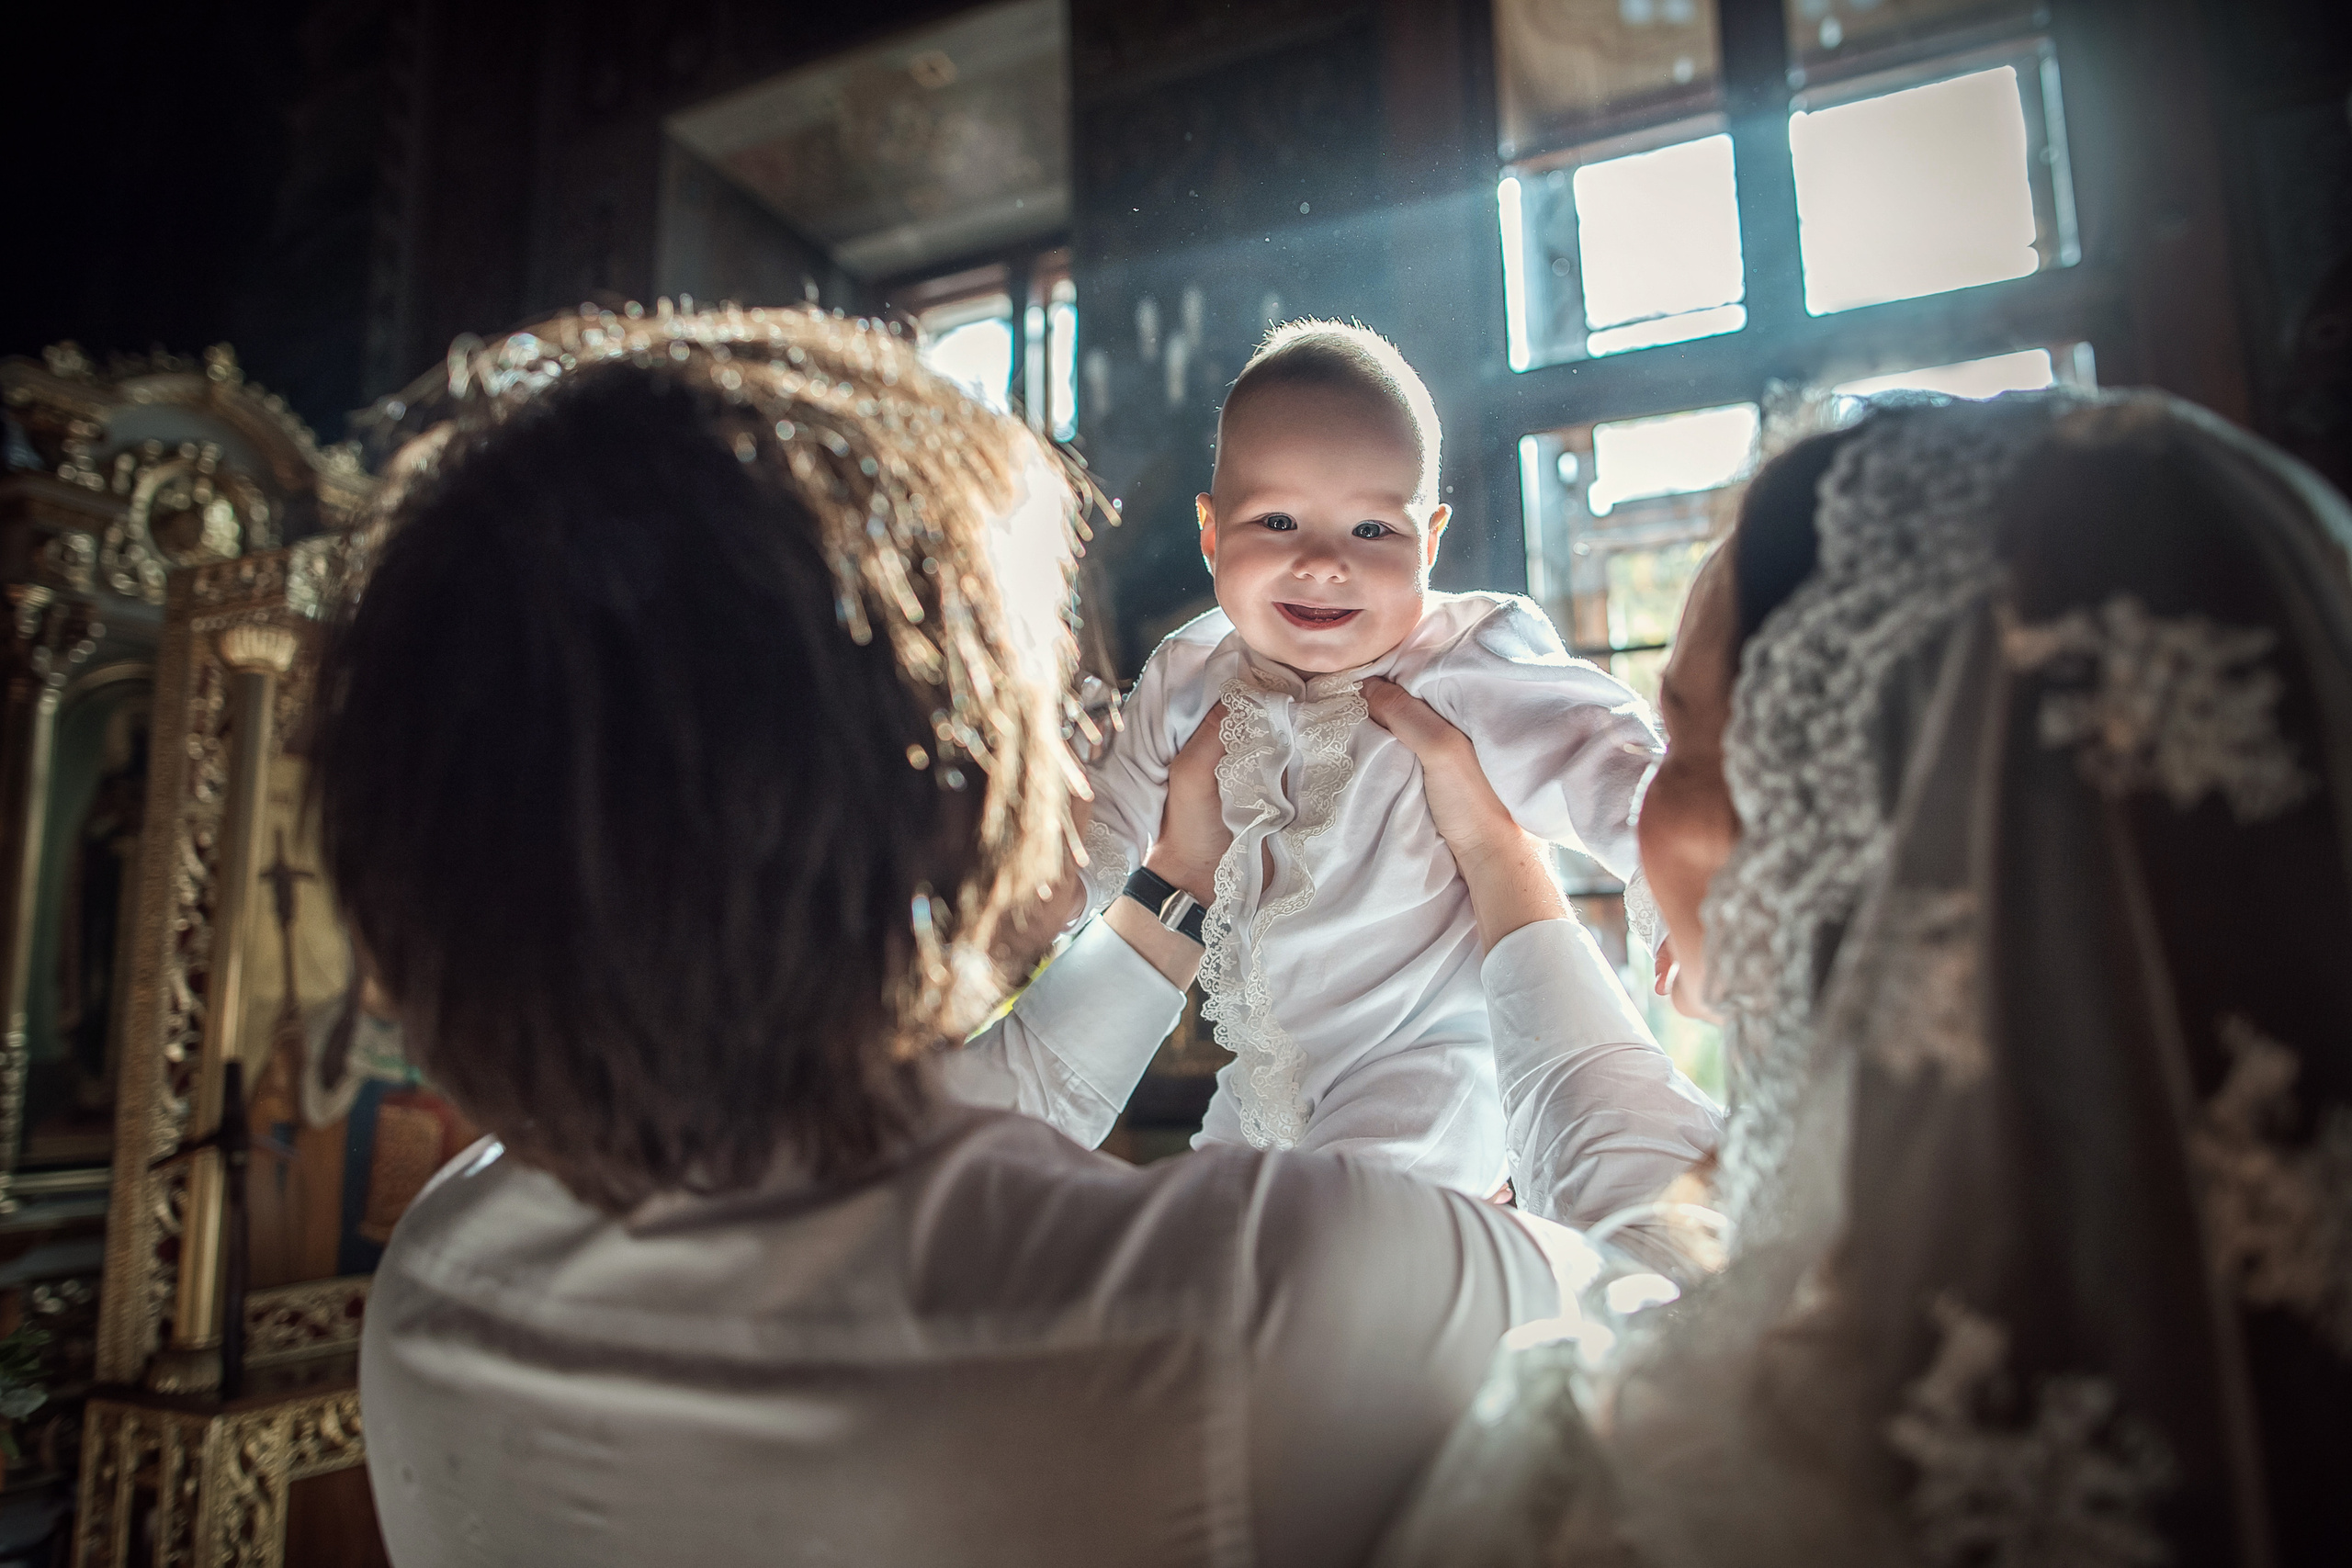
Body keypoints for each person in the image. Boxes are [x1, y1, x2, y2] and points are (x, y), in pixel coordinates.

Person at [331, 306, 1713, 1568]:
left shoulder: (442, 1275)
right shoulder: (1265, 1289)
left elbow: (1012, 1096)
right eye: (1052, 689)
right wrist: (1506, 874)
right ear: (924, 798)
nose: (1085, 735)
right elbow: (1696, 1311)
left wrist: (1174, 880)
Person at [1373, 389, 2352, 1567]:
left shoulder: (1692, 1493)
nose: (1640, 814)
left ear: (1850, 812)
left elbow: (1636, 1221)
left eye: (1678, 738)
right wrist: (1490, 846)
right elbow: (1628, 1162)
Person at [1083, 320, 1683, 1194]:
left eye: (1372, 529)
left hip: (1427, 1061)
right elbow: (1113, 814)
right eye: (1278, 520)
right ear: (1211, 531)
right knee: (1198, 1228)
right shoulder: (1189, 670)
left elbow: (1596, 745)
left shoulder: (1464, 658)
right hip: (1267, 1068)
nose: (1323, 563)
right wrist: (1060, 893)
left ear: (1430, 539)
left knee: (1330, 1236)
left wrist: (1673, 876)